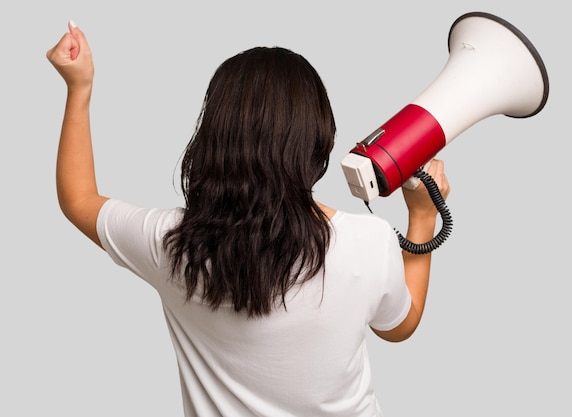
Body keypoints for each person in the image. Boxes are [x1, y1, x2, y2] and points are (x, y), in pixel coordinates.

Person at [47, 21, 450, 417]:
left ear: (213, 137)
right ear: (318, 138)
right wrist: (422, 216)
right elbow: (398, 325)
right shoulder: (367, 241)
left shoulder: (169, 243)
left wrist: (78, 86)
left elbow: (78, 198)